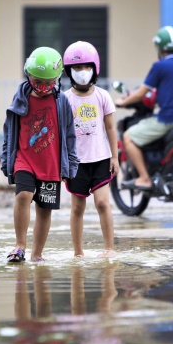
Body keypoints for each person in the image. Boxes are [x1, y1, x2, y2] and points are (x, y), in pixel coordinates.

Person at [1, 47, 78, 263]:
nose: (43, 86)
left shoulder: (61, 101)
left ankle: (37, 254)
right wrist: (7, 158)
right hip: (24, 158)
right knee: (24, 195)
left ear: (57, 77)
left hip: (51, 164)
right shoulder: (20, 97)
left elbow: (70, 135)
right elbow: (9, 130)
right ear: (28, 74)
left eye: (49, 81)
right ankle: (19, 246)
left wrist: (70, 166)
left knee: (44, 210)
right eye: (37, 81)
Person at [114, 25, 173, 190]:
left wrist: (122, 102)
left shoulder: (160, 67)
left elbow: (141, 93)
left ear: (160, 47)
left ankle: (145, 178)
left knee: (128, 137)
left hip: (168, 120)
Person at [62, 41, 118, 258]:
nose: (82, 72)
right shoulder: (65, 99)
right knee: (77, 208)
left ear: (95, 68)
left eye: (86, 67)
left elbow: (111, 127)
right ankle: (78, 252)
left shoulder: (103, 96)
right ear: (69, 71)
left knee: (103, 203)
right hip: (76, 163)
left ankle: (109, 249)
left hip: (101, 159)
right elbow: (61, 133)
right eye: (77, 68)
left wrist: (115, 156)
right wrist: (62, 163)